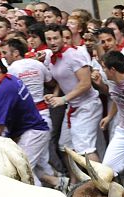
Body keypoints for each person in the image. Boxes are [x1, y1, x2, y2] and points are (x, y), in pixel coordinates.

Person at [2, 37, 60, 187]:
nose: (4, 56)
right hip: (43, 116)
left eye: (5, 52)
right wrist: (53, 93)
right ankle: (61, 185)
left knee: (24, 167)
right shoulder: (37, 64)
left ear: (15, 53)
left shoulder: (11, 71)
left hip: (31, 122)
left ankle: (52, 191)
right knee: (41, 164)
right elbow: (51, 81)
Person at [43, 23, 102, 162]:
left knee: (85, 148)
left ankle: (103, 182)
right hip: (73, 107)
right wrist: (55, 95)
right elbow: (62, 80)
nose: (52, 42)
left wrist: (63, 99)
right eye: (49, 39)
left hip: (88, 106)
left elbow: (86, 83)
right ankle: (76, 182)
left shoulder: (74, 55)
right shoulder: (51, 57)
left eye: (55, 38)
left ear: (63, 38)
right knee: (66, 146)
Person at [0, 53, 51, 184]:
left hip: (32, 132)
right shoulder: (9, 79)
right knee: (35, 170)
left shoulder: (4, 89)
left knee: (21, 173)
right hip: (30, 131)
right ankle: (60, 183)